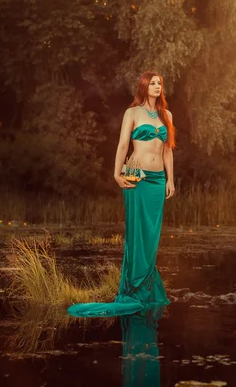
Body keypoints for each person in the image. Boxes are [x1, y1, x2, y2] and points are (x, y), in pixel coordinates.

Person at [67, 71, 175, 317]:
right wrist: (117, 173)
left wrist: (171, 179)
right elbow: (123, 145)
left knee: (152, 236)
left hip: (158, 182)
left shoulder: (166, 115)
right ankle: (134, 286)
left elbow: (168, 151)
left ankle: (146, 284)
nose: (157, 86)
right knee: (137, 234)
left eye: (160, 83)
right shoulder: (132, 113)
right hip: (136, 179)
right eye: (153, 83)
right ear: (144, 86)